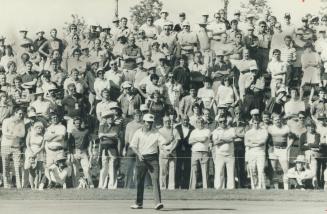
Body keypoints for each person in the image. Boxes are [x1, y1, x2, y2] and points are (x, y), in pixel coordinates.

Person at [130, 113, 166, 210]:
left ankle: (158, 203)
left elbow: (163, 143)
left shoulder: (156, 133)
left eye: (151, 123)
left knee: (155, 180)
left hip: (153, 159)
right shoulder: (138, 132)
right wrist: (138, 154)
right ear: (143, 122)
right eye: (147, 122)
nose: (149, 124)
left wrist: (167, 146)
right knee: (140, 181)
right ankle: (138, 203)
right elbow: (133, 146)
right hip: (141, 158)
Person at [1, 107, 25, 188]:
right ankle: (6, 184)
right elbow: (5, 133)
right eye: (19, 113)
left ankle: (18, 185)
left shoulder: (21, 122)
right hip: (5, 145)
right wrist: (16, 134)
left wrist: (12, 134)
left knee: (17, 166)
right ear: (15, 113)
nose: (21, 115)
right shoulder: (6, 121)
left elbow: (23, 134)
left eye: (22, 114)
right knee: (5, 166)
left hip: (16, 146)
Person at [212, 115, 237, 189]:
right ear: (218, 122)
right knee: (219, 173)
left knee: (231, 173)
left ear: (227, 121)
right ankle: (219, 188)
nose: (223, 123)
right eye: (221, 121)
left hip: (230, 155)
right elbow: (215, 142)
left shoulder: (231, 129)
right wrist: (227, 139)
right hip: (219, 155)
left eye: (224, 121)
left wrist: (221, 139)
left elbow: (232, 139)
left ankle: (231, 189)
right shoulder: (216, 131)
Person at [68, 116, 94, 188]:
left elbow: (90, 142)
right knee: (75, 170)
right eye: (76, 123)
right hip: (75, 152)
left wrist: (90, 151)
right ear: (74, 124)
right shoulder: (72, 132)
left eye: (79, 123)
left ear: (81, 123)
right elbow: (69, 144)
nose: (78, 124)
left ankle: (90, 183)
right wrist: (71, 154)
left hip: (83, 151)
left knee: (86, 169)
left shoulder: (86, 131)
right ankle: (77, 185)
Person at [98, 110, 120, 189]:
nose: (110, 118)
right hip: (104, 149)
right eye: (108, 117)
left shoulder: (116, 126)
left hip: (113, 148)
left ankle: (112, 186)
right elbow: (100, 136)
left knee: (112, 167)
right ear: (106, 119)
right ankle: (102, 185)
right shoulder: (102, 126)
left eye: (111, 117)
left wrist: (104, 135)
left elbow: (115, 135)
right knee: (104, 167)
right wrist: (108, 135)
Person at [244, 118, 269, 189]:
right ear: (252, 123)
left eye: (257, 123)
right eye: (255, 123)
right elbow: (246, 143)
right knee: (253, 170)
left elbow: (263, 142)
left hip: (260, 152)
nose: (256, 124)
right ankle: (254, 187)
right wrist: (257, 143)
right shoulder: (248, 133)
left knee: (261, 170)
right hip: (251, 152)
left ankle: (262, 187)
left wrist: (252, 142)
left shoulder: (264, 131)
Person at [158, 115, 180, 190]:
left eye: (169, 121)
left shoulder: (175, 130)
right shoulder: (160, 131)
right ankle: (163, 187)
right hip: (163, 153)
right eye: (166, 121)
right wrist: (165, 150)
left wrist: (171, 150)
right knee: (163, 171)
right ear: (163, 122)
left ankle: (171, 187)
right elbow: (159, 144)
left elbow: (177, 141)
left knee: (172, 170)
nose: (168, 122)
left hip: (173, 152)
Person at [123, 109, 144, 188]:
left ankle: (137, 185)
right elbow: (126, 138)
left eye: (139, 115)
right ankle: (127, 186)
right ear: (133, 116)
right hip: (131, 148)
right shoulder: (129, 125)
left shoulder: (144, 124)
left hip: (140, 149)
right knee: (129, 167)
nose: (138, 117)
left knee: (139, 168)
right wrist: (124, 148)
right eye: (136, 115)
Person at [189, 117, 211, 189]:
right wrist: (199, 139)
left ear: (204, 123)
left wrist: (195, 139)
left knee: (205, 171)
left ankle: (205, 188)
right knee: (194, 170)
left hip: (204, 152)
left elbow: (204, 139)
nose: (200, 124)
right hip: (195, 152)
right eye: (198, 122)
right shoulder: (193, 131)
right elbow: (189, 141)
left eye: (202, 122)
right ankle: (193, 188)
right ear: (196, 123)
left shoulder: (207, 130)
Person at [24, 121, 45, 189]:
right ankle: (32, 186)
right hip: (30, 152)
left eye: (41, 128)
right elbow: (27, 144)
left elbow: (42, 147)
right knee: (31, 170)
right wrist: (31, 153)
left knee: (38, 171)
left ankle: (37, 186)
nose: (39, 129)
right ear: (35, 128)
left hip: (39, 152)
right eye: (38, 128)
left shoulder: (42, 136)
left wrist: (36, 153)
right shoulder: (30, 133)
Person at [175, 115, 194, 189]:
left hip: (188, 150)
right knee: (178, 167)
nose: (185, 121)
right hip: (178, 150)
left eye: (186, 120)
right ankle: (177, 185)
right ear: (181, 120)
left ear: (188, 120)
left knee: (187, 167)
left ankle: (185, 186)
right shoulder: (177, 128)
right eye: (184, 120)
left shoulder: (192, 128)